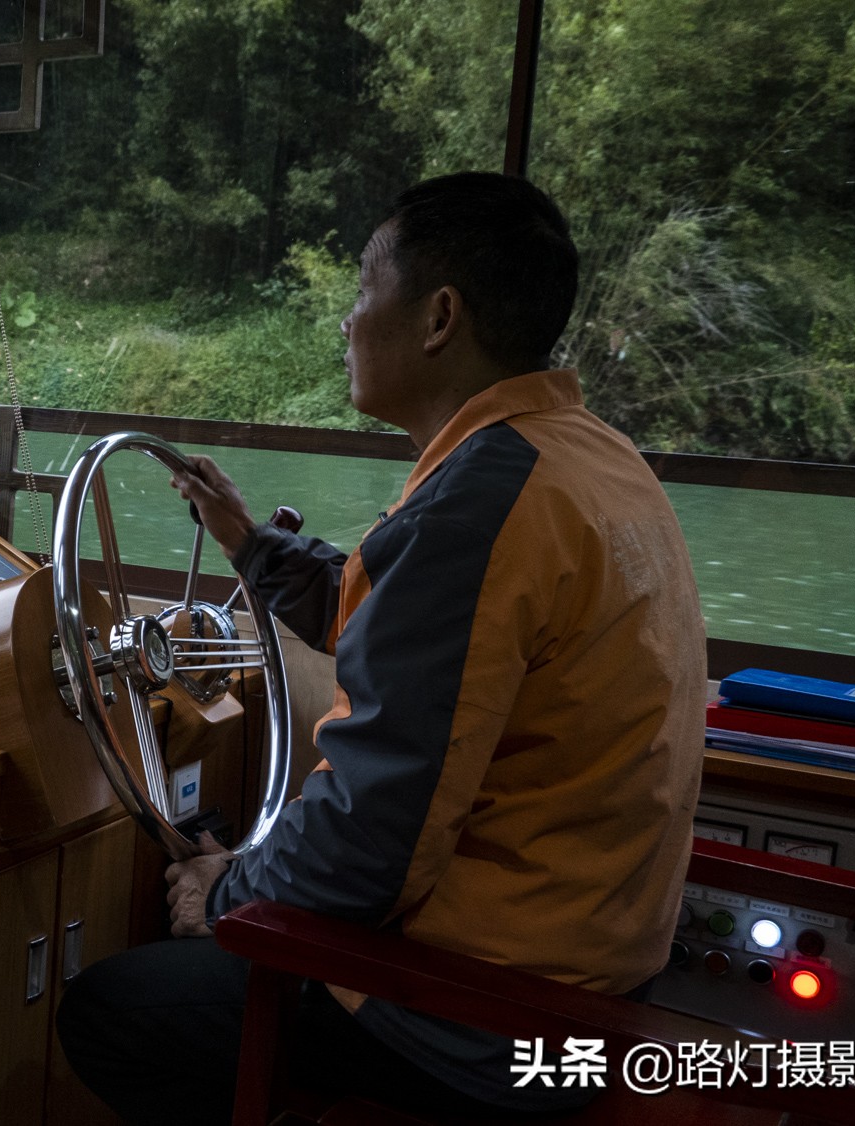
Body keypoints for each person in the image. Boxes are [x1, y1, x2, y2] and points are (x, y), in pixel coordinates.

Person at [56, 171, 707, 1122]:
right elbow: (407, 626)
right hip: (599, 969)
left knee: (109, 1015)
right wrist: (250, 545)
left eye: (365, 288)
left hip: (486, 1011)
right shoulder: (582, 457)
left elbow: (371, 844)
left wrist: (228, 893)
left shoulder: (477, 506)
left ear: (439, 317)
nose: (348, 320)